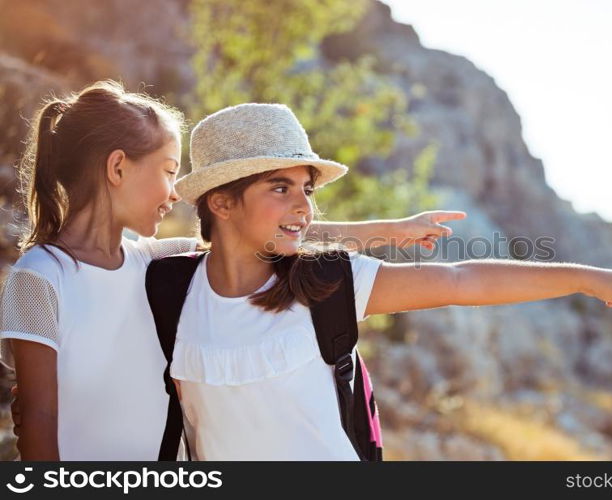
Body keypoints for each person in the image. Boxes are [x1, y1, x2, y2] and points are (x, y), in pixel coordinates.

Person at [161, 102, 612, 460]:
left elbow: (461, 280)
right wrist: (383, 229)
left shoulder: (327, 281)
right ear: (222, 202)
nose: (304, 205)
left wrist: (585, 279)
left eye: (307, 188)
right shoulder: (165, 283)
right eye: (281, 187)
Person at [0, 81, 466, 460]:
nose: (175, 194)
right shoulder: (40, 277)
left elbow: (259, 233)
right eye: (167, 171)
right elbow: (37, 418)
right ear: (118, 167)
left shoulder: (150, 260)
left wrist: (392, 230)